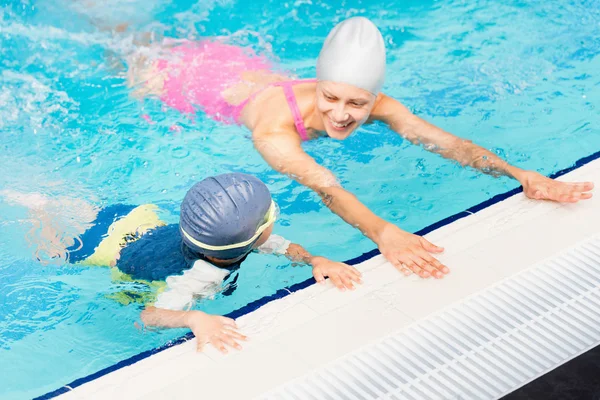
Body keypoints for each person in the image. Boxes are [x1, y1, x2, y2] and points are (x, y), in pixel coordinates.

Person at [118, 16, 593, 280]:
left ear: (373, 98)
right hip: (182, 85)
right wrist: (382, 233)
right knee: (123, 45)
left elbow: (447, 143)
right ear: (317, 85)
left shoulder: (378, 102)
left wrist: (520, 175)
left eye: (357, 103)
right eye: (330, 99)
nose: (343, 114)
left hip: (236, 63)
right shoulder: (273, 132)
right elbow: (326, 187)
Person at [1, 173, 362, 352]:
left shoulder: (236, 241)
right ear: (251, 240)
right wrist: (193, 317)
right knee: (49, 255)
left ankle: (46, 196)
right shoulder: (198, 277)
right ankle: (38, 210)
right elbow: (149, 317)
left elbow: (285, 248)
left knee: (92, 212)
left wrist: (316, 259)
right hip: (108, 251)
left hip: (138, 221)